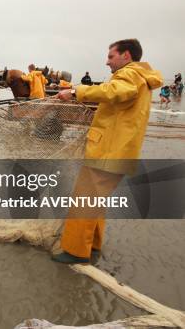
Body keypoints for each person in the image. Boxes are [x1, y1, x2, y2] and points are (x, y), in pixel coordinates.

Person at [52, 39, 162, 264]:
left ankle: (75, 251)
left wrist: (75, 91)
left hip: (107, 150)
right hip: (120, 149)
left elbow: (113, 91)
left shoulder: (129, 75)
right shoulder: (141, 77)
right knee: (96, 199)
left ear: (127, 55)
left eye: (111, 56)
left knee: (85, 198)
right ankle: (91, 245)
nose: (107, 61)